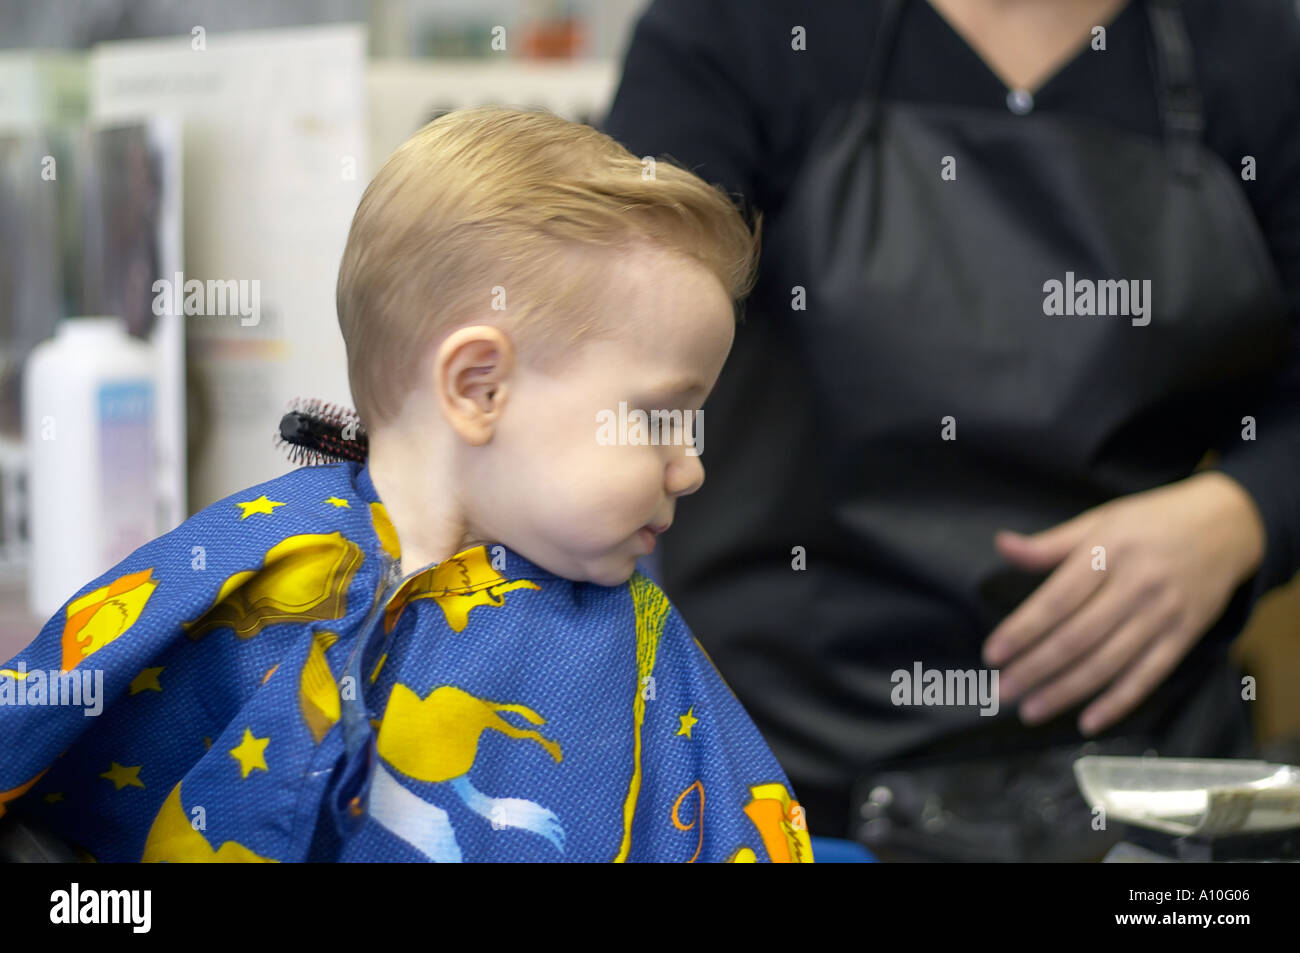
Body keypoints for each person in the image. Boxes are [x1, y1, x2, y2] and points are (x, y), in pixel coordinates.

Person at [0, 106, 814, 864]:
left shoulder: (637, 644)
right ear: (478, 387)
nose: (693, 464)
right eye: (660, 418)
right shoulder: (255, 558)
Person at [602, 0, 1300, 860]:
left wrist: (1246, 510)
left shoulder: (1260, 48)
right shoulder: (745, 27)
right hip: (782, 778)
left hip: (1144, 778)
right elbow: (610, 344)